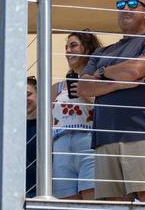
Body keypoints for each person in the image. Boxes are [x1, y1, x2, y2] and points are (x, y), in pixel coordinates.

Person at [78, 0, 145, 203]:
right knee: (109, 204)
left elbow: (133, 72)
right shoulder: (101, 52)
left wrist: (103, 73)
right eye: (120, 5)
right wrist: (118, 83)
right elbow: (83, 88)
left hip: (142, 134)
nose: (125, 8)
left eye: (132, 4)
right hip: (104, 138)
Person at [51, 30, 102, 199]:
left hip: (89, 142)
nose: (68, 51)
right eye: (66, 47)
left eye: (73, 45)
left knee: (92, 200)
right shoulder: (57, 87)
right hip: (60, 146)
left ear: (87, 50)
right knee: (67, 203)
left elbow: (110, 110)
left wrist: (88, 95)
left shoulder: (100, 79)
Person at [26, 76, 38, 198]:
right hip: (22, 194)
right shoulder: (15, 130)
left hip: (50, 192)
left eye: (28, 94)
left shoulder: (51, 123)